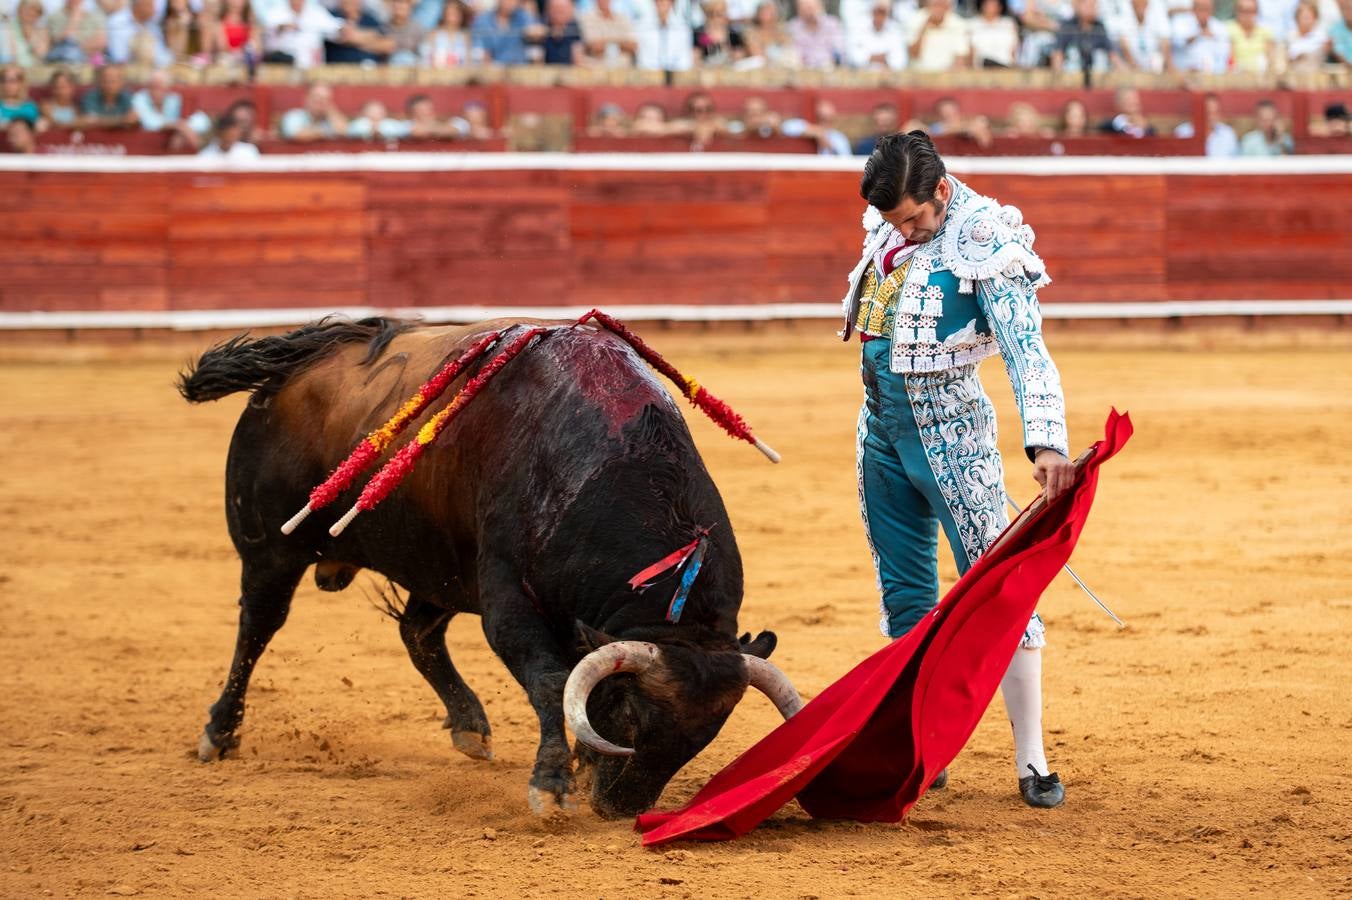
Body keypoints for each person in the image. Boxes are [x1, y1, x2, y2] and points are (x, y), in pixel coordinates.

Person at [841, 131, 1072, 809]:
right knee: (905, 591)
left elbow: (1028, 350)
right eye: (894, 222)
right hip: (880, 430)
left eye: (913, 218)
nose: (905, 233)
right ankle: (921, 747)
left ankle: (1031, 760)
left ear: (942, 191)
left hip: (954, 437)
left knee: (999, 591)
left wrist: (1046, 444)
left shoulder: (986, 241)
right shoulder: (887, 231)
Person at [1173, 92, 1238, 156]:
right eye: (1207, 113)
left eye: (1215, 113)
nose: (1211, 117)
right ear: (1199, 111)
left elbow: (1234, 162)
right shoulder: (1183, 132)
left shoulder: (1227, 134)